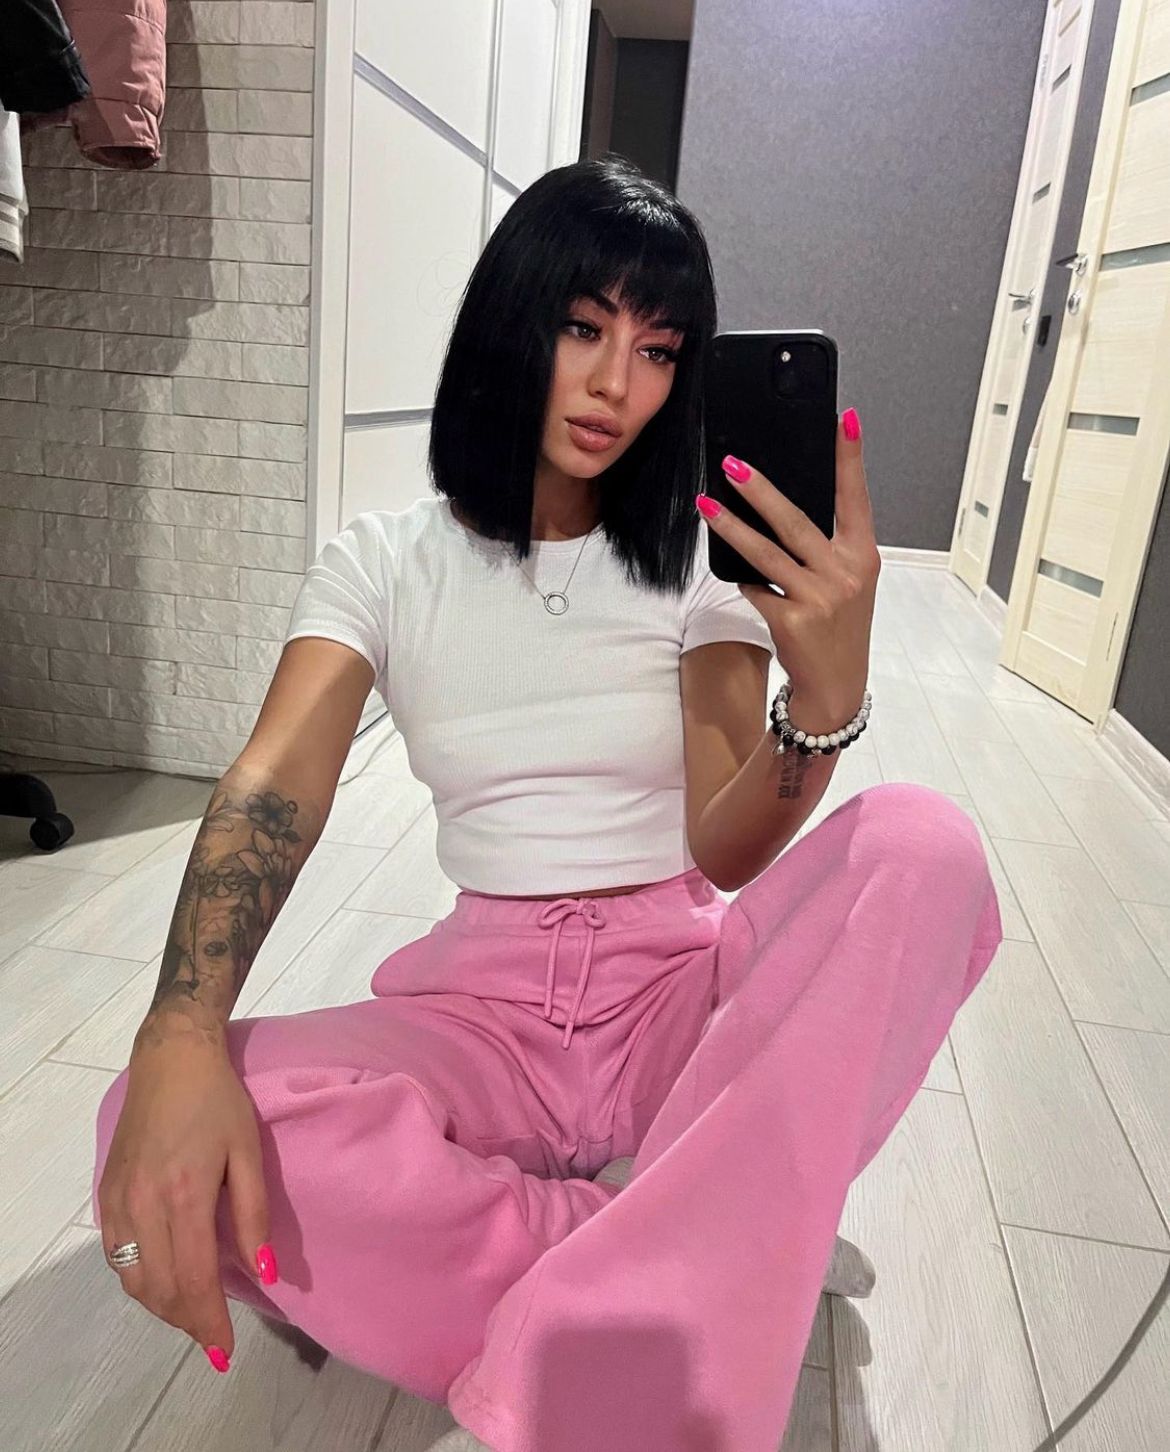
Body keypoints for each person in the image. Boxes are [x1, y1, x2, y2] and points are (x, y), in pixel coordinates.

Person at [91, 155, 1004, 1452]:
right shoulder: (382, 563)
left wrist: (825, 700)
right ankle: (692, 1249)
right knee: (146, 1119)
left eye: (658, 350)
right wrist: (180, 1032)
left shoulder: (694, 565)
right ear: (510, 317)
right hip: (483, 1014)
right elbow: (272, 784)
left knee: (926, 845)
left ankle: (643, 1273)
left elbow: (724, 844)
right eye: (584, 327)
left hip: (674, 994)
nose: (617, 383)